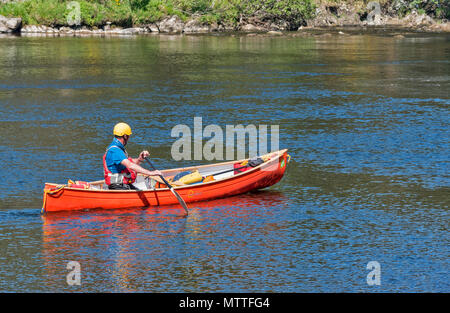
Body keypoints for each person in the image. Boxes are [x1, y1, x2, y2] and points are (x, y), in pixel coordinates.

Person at [103, 122, 162, 190]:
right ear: (125, 136)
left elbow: (130, 162)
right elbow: (130, 165)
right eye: (128, 136)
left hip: (123, 185)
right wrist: (150, 173)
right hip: (117, 187)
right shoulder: (115, 150)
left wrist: (140, 159)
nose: (128, 138)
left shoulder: (117, 148)